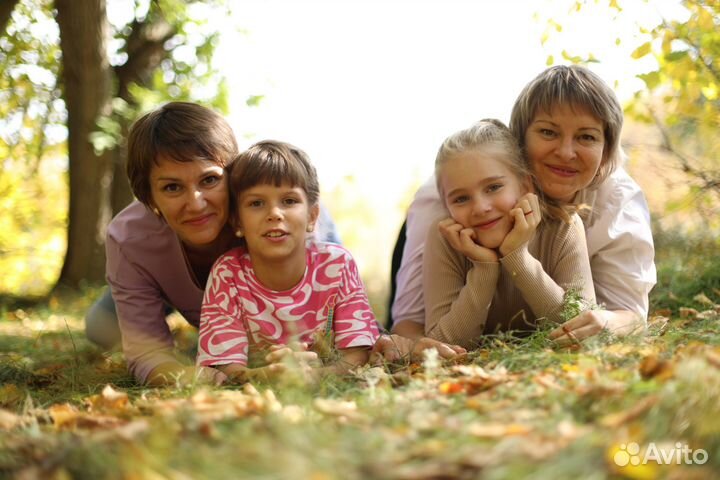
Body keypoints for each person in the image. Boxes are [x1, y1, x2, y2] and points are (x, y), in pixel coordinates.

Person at [392, 65, 656, 347]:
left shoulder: (609, 203)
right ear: (520, 138)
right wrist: (484, 268)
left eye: (587, 137)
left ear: (605, 150)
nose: (566, 153)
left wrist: (604, 321)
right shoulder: (448, 194)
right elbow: (412, 326)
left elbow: (625, 315)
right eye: (548, 132)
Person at [91, 102, 342, 386]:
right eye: (172, 187)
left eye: (210, 179)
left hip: (285, 283)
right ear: (149, 197)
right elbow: (147, 354)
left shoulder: (280, 223)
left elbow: (332, 335)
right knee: (100, 328)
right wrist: (193, 375)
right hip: (166, 282)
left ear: (234, 178)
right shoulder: (129, 238)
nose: (196, 204)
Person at [196, 140, 380, 382]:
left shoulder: (337, 265)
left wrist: (314, 377)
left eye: (289, 201)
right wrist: (268, 375)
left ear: (312, 216)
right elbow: (224, 368)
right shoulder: (227, 274)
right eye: (256, 203)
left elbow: (357, 356)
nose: (274, 213)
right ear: (237, 222)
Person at [423, 119, 595, 347]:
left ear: (526, 186)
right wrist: (484, 268)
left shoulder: (563, 227)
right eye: (461, 199)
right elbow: (442, 345)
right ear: (446, 205)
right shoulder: (446, 239)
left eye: (493, 187)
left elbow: (582, 327)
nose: (481, 208)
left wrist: (517, 257)